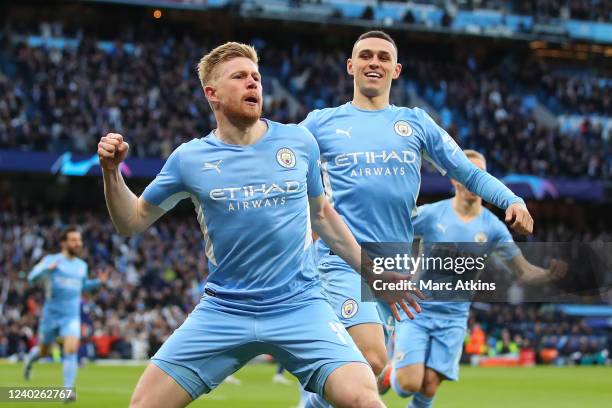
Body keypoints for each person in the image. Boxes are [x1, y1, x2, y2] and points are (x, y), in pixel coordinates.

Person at [97, 41, 417, 408]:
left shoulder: (299, 142)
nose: (253, 84)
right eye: (240, 77)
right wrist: (111, 173)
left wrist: (374, 273)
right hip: (224, 311)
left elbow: (323, 215)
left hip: (300, 305)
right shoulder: (189, 159)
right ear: (211, 94)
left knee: (365, 400)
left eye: (256, 77)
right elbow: (130, 221)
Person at [300, 30, 533, 407]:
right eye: (365, 56)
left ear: (396, 70)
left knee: (370, 372)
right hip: (342, 258)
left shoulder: (416, 123)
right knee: (372, 358)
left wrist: (511, 199)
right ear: (351, 66)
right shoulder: (320, 123)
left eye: (382, 57)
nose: (373, 62)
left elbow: (467, 171)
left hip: (395, 264)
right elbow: (280, 162)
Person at [382, 150, 566, 408]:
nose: (473, 181)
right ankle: (391, 372)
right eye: (467, 174)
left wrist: (548, 274)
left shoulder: (493, 227)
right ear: (455, 179)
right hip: (418, 310)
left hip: (454, 317)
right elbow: (391, 233)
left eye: (479, 175)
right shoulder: (432, 214)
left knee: (430, 384)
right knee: (410, 384)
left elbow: (522, 270)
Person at [23, 226, 108, 401]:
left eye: (79, 240)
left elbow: (82, 287)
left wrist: (97, 282)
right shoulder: (51, 260)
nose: (78, 243)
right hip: (51, 315)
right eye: (74, 240)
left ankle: (67, 391)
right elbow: (31, 278)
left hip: (71, 316)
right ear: (63, 242)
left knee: (70, 349)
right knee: (44, 352)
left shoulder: (81, 266)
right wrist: (47, 269)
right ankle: (30, 361)